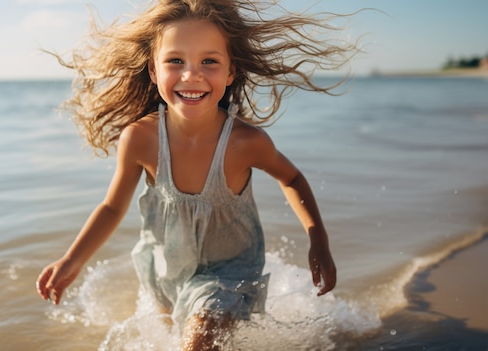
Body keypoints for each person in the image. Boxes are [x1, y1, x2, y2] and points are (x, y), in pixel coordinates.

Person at [37, 0, 356, 349]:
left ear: (231, 71)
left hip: (230, 272)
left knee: (197, 345)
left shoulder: (244, 142)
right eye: (176, 61)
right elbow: (113, 207)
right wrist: (73, 259)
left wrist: (318, 241)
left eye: (209, 61)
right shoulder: (140, 139)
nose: (192, 75)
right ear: (154, 70)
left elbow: (291, 178)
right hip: (163, 269)